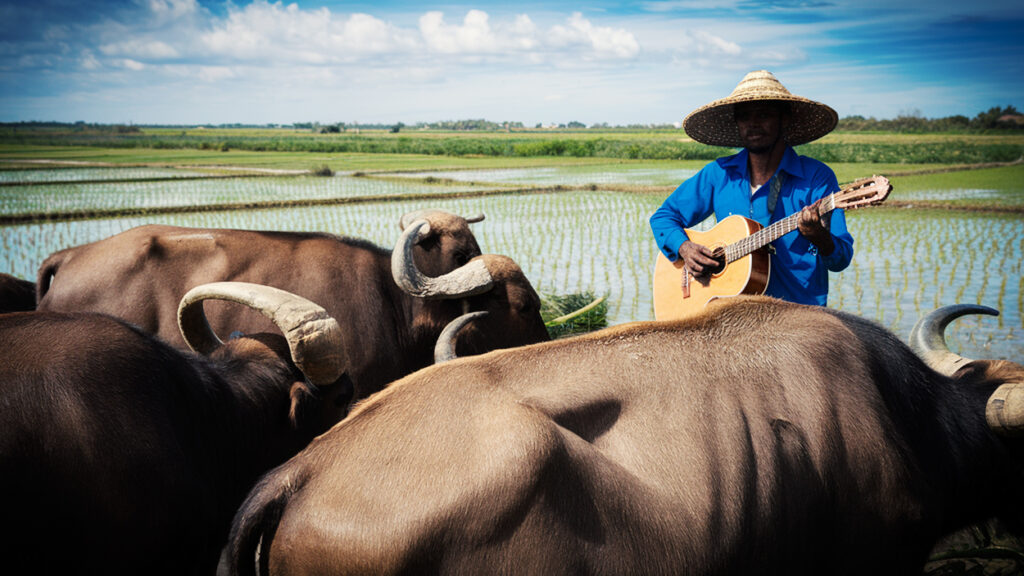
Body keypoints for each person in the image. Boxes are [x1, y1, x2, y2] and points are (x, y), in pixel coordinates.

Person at [650, 70, 853, 306]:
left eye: (764, 115)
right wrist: (684, 247)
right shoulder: (719, 173)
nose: (753, 124)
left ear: (784, 119)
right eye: (745, 117)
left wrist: (820, 237)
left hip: (799, 314)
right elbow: (663, 217)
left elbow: (840, 260)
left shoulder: (817, 177)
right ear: (736, 123)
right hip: (730, 313)